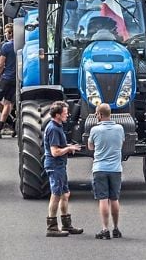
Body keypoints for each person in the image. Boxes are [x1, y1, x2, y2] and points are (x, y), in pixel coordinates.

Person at [43, 101, 83, 237]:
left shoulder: (58, 126)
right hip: (55, 165)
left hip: (60, 165)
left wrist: (67, 146)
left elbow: (59, 146)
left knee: (65, 194)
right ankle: (52, 227)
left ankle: (67, 224)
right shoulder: (53, 129)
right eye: (65, 113)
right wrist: (69, 148)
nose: (68, 115)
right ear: (58, 115)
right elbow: (54, 152)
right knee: (56, 195)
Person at [88, 102, 125, 239]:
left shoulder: (95, 130)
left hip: (99, 168)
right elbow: (121, 143)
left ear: (100, 114)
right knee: (114, 199)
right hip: (116, 169)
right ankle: (116, 228)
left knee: (103, 200)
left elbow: (90, 147)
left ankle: (105, 229)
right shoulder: (120, 128)